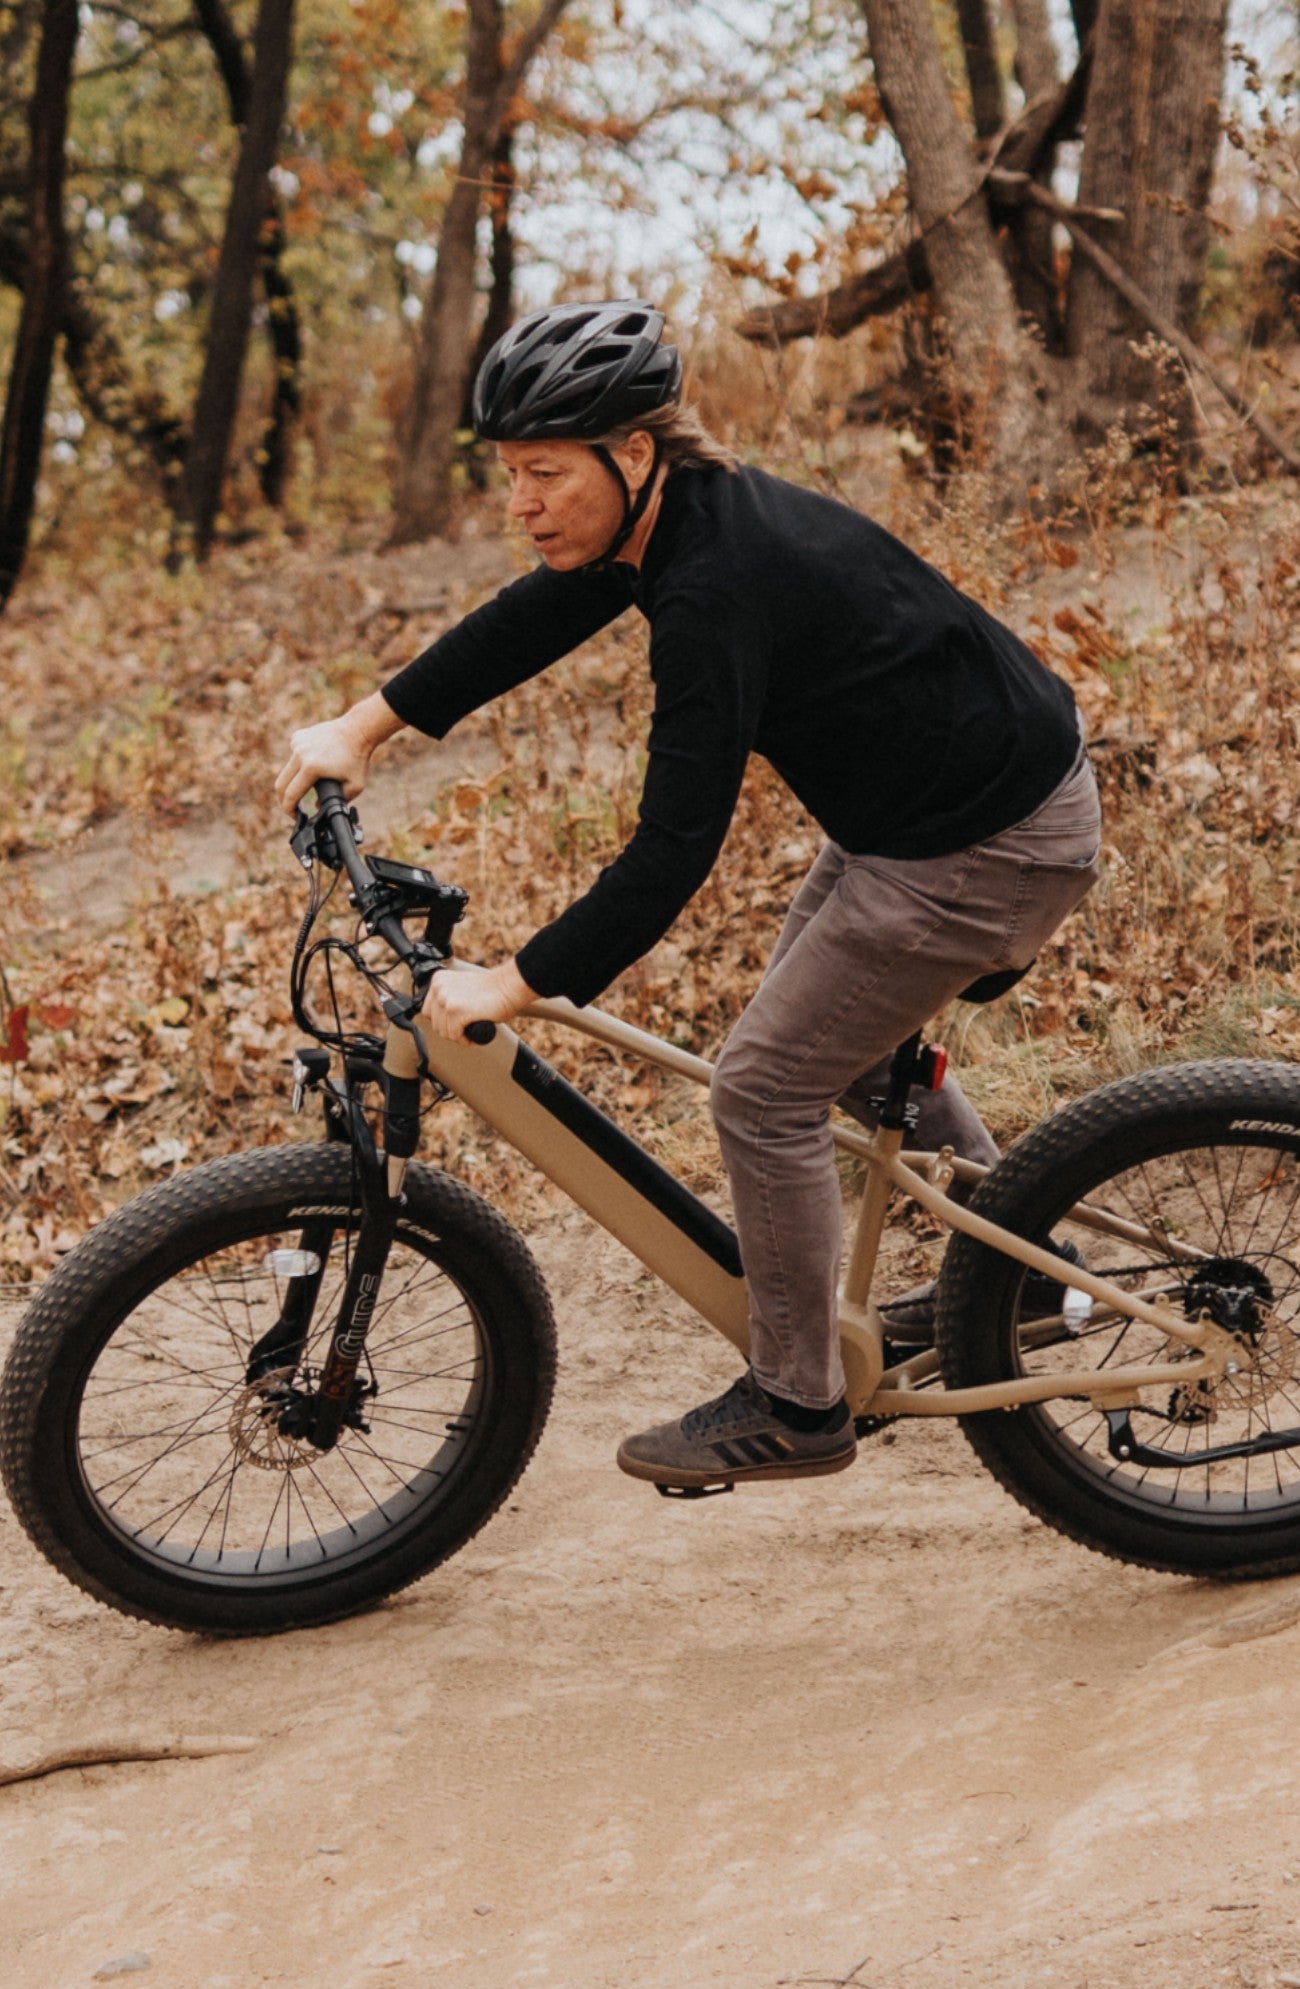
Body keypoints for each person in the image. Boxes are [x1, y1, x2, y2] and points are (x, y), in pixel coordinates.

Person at [277, 299, 1101, 1493]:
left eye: (546, 474)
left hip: (990, 840)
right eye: (512, 476)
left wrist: (512, 984)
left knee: (765, 1088)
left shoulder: (716, 589)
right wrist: (366, 725)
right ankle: (1021, 1272)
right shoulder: (675, 524)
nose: (523, 505)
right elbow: (535, 613)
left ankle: (799, 1401)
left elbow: (670, 854)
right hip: (937, 811)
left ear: (634, 455)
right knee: (828, 1036)